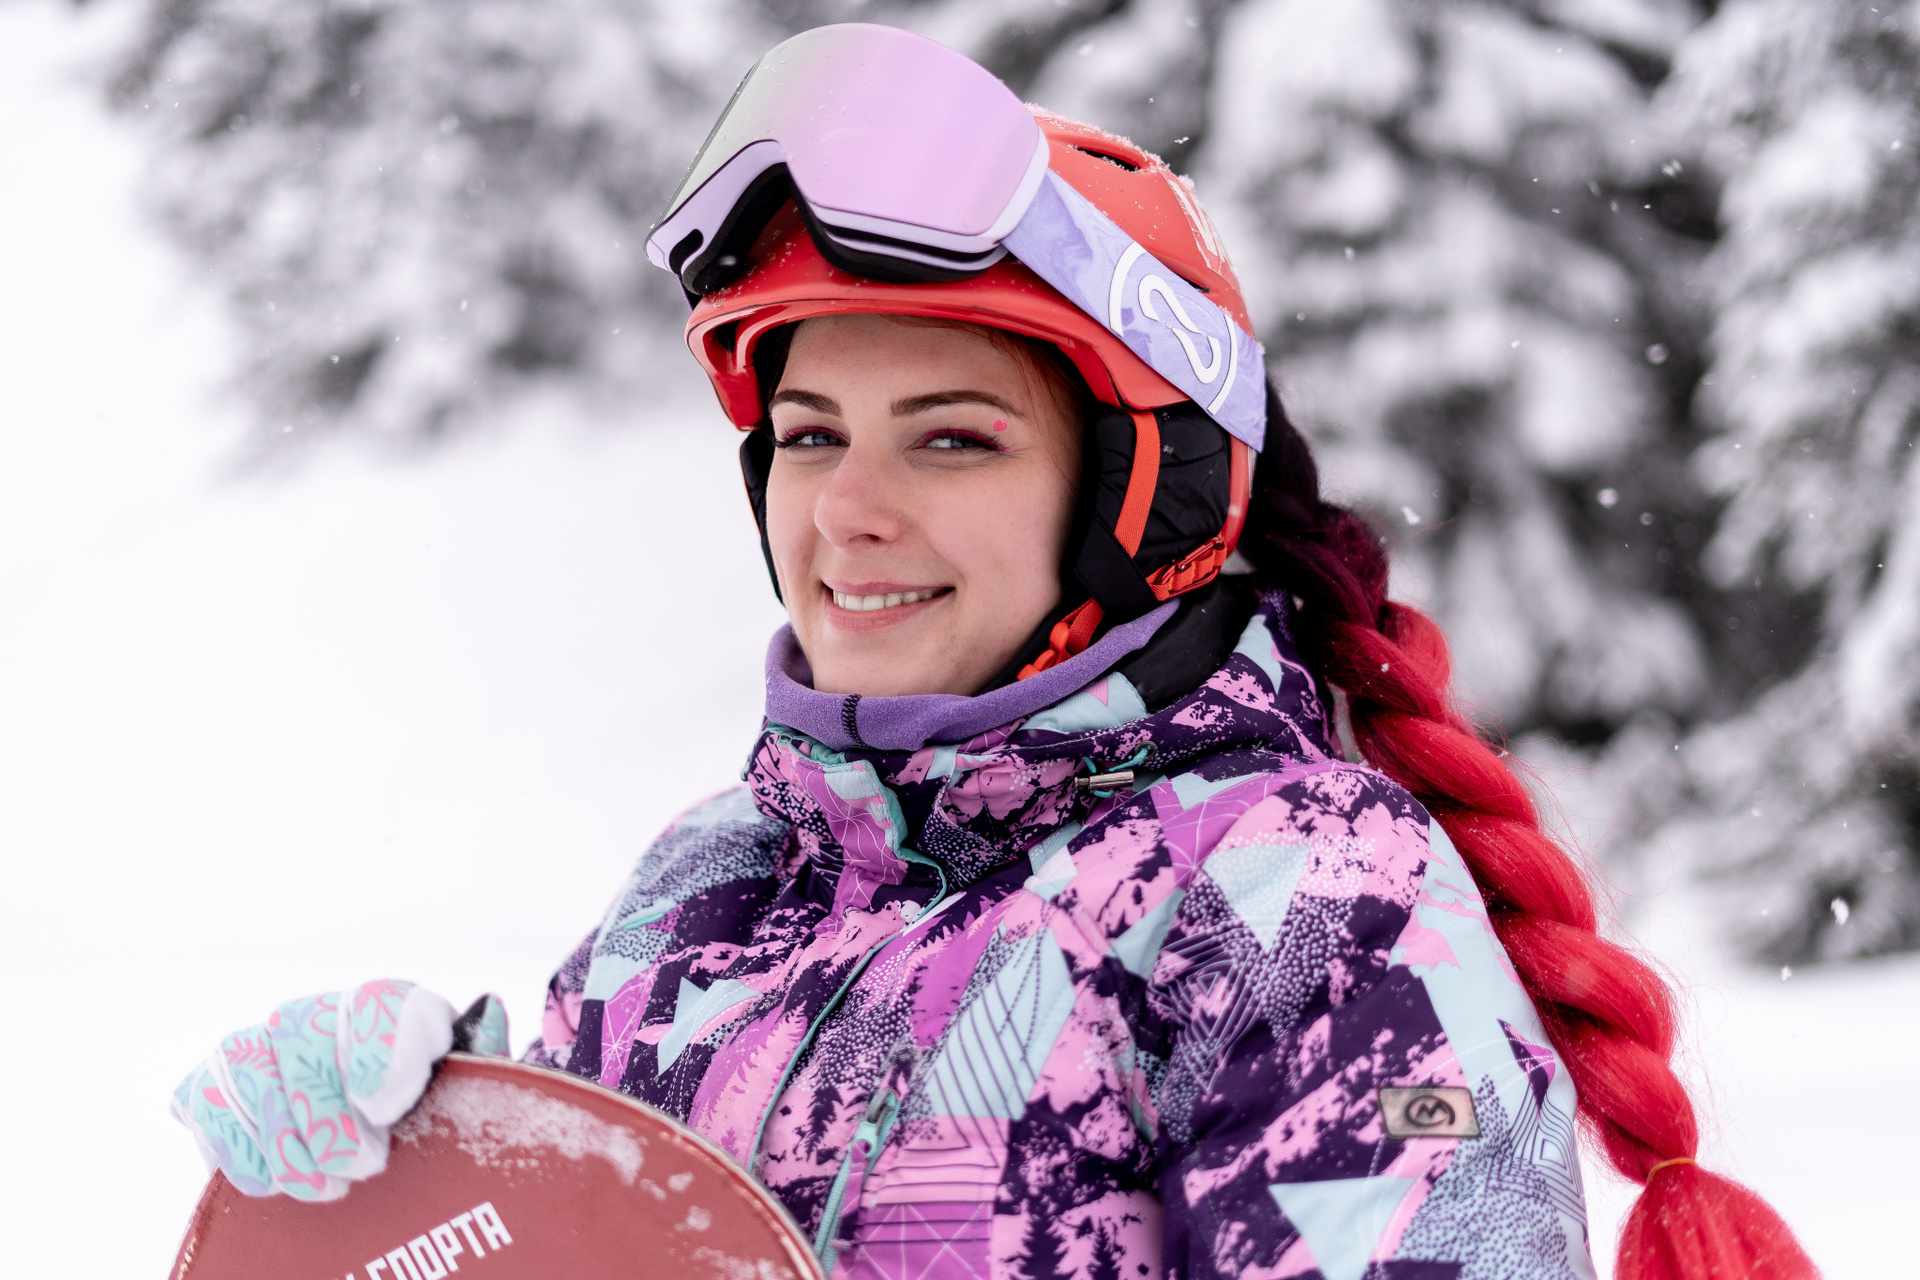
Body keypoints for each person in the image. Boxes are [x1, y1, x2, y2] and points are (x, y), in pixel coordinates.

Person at [172, 24, 1814, 1280]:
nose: (849, 511)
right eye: (811, 435)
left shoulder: (1293, 906)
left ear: (1140, 491)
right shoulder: (713, 887)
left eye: (951, 439)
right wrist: (438, 1149)